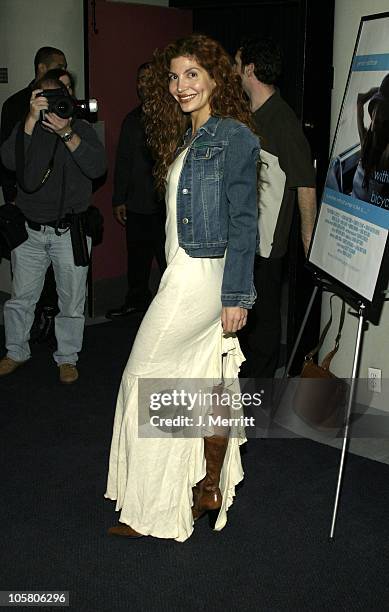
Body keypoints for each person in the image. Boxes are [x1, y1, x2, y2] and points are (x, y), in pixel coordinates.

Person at [104, 34, 259, 541]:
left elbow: (244, 224)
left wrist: (236, 297)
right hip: (181, 270)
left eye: (192, 73)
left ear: (217, 78)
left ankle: (150, 506)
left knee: (143, 376)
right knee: (204, 380)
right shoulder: (188, 137)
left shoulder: (233, 136)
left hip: (200, 276)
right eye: (174, 76)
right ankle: (205, 486)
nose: (181, 85)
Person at [0, 75, 106, 383]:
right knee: (21, 298)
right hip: (31, 232)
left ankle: (67, 358)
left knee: (71, 301)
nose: (61, 99)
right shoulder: (27, 128)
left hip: (70, 231)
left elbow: (98, 168)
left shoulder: (82, 128)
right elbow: (7, 160)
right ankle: (15, 351)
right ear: (37, 98)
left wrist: (67, 133)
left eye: (65, 92)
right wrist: (30, 120)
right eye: (52, 95)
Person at [234, 37, 317, 380]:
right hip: (242, 237)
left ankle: (261, 395)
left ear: (250, 69)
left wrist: (309, 242)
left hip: (267, 245)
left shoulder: (281, 120)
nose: (232, 71)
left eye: (236, 64)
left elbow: (306, 185)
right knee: (243, 317)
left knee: (265, 320)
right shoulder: (246, 114)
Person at [0, 48, 68, 343]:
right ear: (41, 68)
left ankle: (51, 319)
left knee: (61, 280)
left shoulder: (66, 105)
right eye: (57, 67)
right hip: (24, 201)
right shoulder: (16, 104)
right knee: (25, 279)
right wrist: (11, 195)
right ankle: (19, 341)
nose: (62, 73)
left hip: (60, 210)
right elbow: (6, 155)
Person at [106, 63, 166, 319]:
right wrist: (119, 198)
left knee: (169, 262)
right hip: (137, 203)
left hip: (165, 206)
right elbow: (123, 161)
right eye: (139, 80)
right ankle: (136, 301)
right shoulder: (132, 118)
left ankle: (169, 310)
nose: (142, 84)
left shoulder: (173, 116)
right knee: (137, 259)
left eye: (148, 79)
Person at [352, 74, 389, 208]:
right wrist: (376, 90)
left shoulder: (383, 153)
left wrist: (376, 91)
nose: (374, 118)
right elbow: (359, 100)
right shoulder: (366, 141)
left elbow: (360, 100)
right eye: (374, 111)